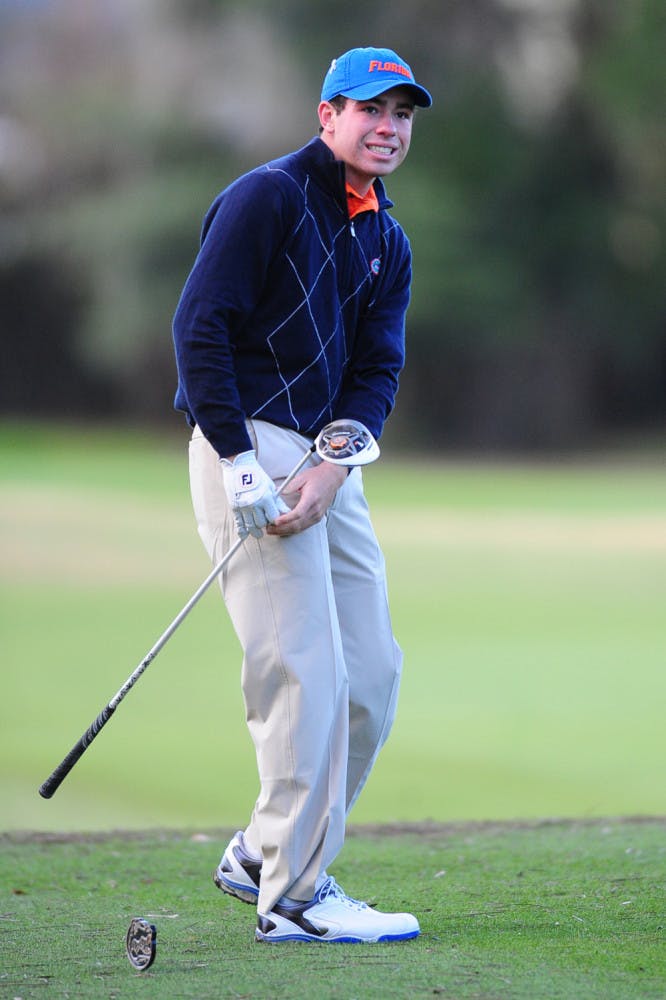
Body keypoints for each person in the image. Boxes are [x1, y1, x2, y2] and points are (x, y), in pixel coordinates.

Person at [172, 45, 432, 944]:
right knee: (304, 674)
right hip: (243, 439)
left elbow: (377, 372)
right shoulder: (268, 197)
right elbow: (200, 327)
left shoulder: (385, 238)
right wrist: (241, 463)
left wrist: (333, 465)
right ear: (328, 115)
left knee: (371, 677)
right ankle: (292, 897)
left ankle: (259, 854)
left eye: (402, 115)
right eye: (372, 111)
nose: (389, 128)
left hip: (325, 458)